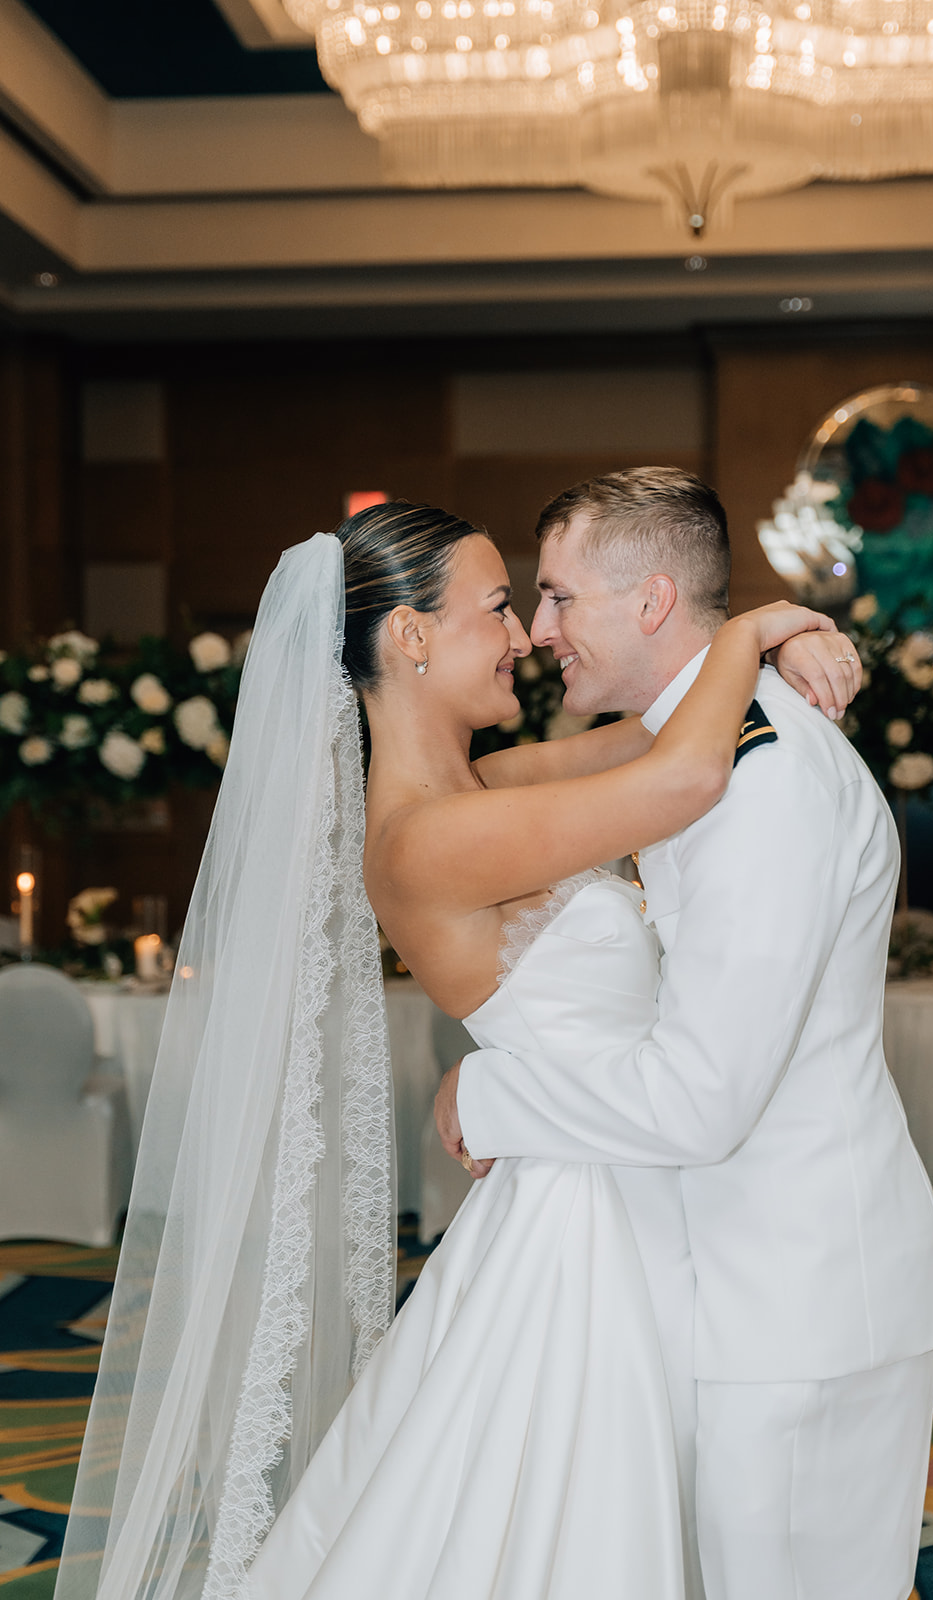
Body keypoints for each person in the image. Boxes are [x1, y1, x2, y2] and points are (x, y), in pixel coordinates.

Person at [56, 497, 856, 1600]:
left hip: (628, 1175)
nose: (524, 632)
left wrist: (773, 640)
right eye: (495, 606)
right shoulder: (426, 837)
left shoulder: (488, 787)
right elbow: (685, 778)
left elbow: (660, 729)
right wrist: (753, 625)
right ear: (410, 636)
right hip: (581, 1222)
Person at [439, 467, 933, 1600]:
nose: (539, 631)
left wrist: (482, 1097)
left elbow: (702, 1096)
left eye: (558, 597)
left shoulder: (758, 781)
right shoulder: (699, 754)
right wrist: (773, 633)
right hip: (748, 1283)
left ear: (650, 600)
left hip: (794, 1299)